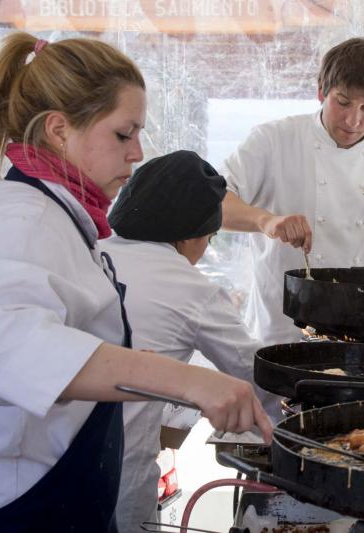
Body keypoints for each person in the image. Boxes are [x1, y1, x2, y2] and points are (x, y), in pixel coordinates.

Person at [0, 33, 271, 532]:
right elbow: (7, 346)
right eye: (124, 134)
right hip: (16, 510)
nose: (138, 152)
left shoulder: (59, 217)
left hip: (59, 497)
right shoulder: (24, 222)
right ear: (59, 130)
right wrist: (189, 380)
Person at [100, 150, 281, 533]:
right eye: (210, 238)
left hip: (55, 470)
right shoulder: (190, 287)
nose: (205, 250)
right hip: (120, 476)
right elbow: (255, 376)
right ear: (188, 233)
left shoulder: (93, 252)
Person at [221, 37, 364, 345]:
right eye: (343, 102)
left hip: (358, 331)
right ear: (321, 91)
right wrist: (266, 221)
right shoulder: (274, 139)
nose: (354, 120)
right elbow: (212, 205)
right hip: (281, 329)